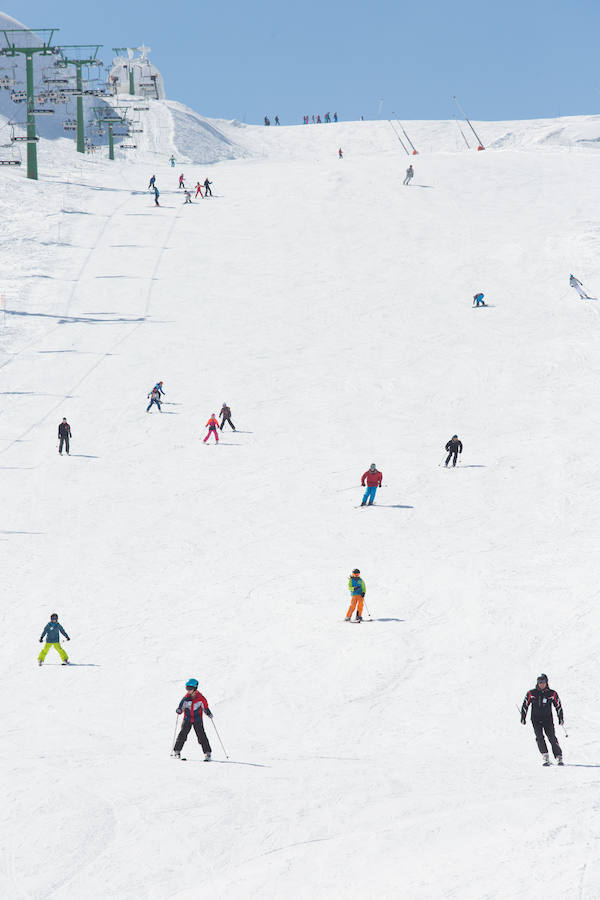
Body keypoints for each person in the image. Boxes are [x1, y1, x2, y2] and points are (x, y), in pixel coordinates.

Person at [520, 674, 564, 766]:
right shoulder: (532, 693)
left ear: (546, 682)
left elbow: (558, 706)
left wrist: (560, 718)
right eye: (539, 682)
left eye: (543, 682)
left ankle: (558, 756)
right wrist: (523, 717)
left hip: (547, 719)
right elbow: (525, 705)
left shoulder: (552, 694)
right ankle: (545, 756)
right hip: (536, 719)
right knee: (539, 737)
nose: (541, 684)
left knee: (551, 737)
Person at [173, 678, 213, 760]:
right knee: (182, 735)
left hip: (197, 720)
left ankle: (207, 753)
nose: (188, 690)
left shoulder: (201, 698)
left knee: (201, 735)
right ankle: (177, 751)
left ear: (195, 688)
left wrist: (208, 712)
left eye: (189, 689)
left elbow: (205, 707)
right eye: (187, 688)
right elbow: (181, 707)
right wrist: (179, 710)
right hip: (187, 719)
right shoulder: (185, 698)